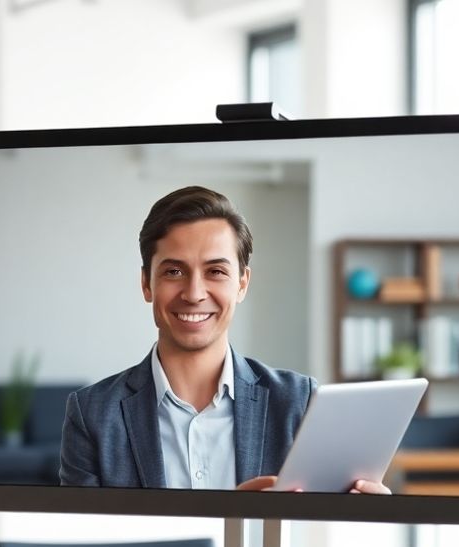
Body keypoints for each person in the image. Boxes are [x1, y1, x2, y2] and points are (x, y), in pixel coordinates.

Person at [59, 185, 388, 494]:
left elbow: (323, 535)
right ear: (146, 283)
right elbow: (80, 546)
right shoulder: (93, 415)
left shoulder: (300, 403)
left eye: (215, 271)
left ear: (242, 284)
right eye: (174, 271)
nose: (194, 293)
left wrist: (367, 515)